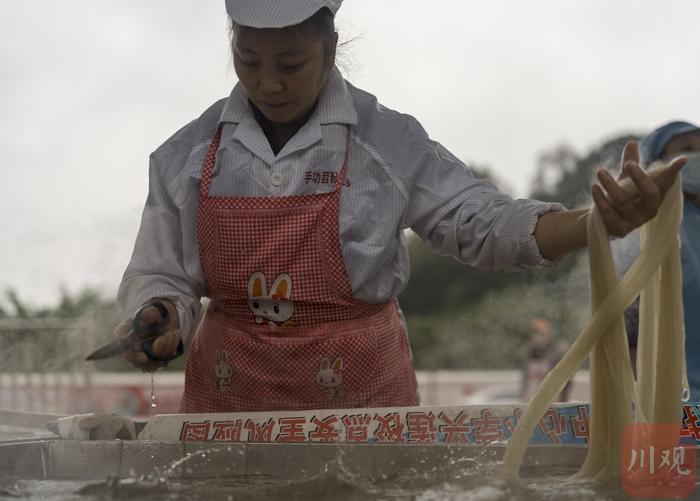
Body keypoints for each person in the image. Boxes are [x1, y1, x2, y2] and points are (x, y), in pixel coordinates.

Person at [115, 0, 685, 413]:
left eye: (290, 64)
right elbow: (162, 273)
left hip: (364, 405)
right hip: (229, 400)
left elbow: (482, 223)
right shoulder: (187, 156)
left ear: (331, 47)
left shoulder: (387, 142)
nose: (268, 83)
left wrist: (592, 223)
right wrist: (160, 316)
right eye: (248, 60)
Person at [612, 120, 700, 394]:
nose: (695, 157)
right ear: (657, 161)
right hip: (674, 400)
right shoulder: (642, 227)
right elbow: (626, 324)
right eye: (686, 148)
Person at [520, 318, 570, 402]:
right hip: (533, 397)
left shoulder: (558, 350)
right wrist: (524, 394)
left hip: (553, 397)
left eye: (539, 333)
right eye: (534, 333)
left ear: (547, 334)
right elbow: (526, 377)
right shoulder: (530, 350)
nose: (536, 337)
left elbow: (566, 378)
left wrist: (563, 398)